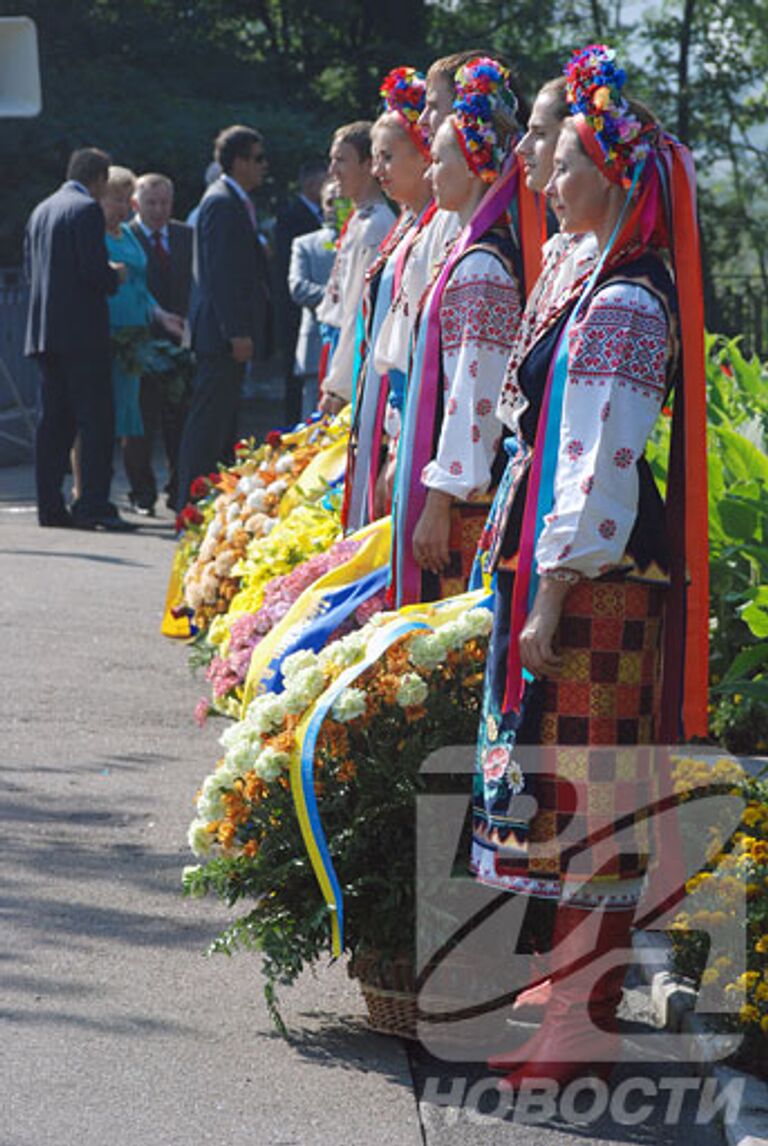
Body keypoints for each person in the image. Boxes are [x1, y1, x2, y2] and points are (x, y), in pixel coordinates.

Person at [470, 44, 709, 1091]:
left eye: (563, 163)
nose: (545, 178)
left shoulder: (622, 301)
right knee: (567, 790)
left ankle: (581, 1019)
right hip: (578, 572)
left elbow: (598, 468)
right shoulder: (600, 278)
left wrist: (551, 591)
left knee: (585, 794)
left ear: (610, 177)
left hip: (598, 581)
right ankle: (568, 997)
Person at [391, 57, 528, 608]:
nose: (428, 174)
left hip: (468, 494)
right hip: (458, 486)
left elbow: (474, 391)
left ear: (473, 167)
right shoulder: (469, 250)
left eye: (439, 160)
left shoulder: (480, 266)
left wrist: (442, 498)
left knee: (450, 624)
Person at [24, 146, 136, 531]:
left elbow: (33, 271)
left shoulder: (42, 210)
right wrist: (115, 274)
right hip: (82, 336)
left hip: (45, 334)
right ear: (100, 179)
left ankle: (50, 506)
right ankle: (94, 505)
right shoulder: (86, 209)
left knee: (53, 424)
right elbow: (92, 272)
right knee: (96, 421)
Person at [343, 65, 434, 531]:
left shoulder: (435, 232)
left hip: (408, 414)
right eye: (374, 159)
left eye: (386, 158)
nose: (376, 171)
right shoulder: (407, 226)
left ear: (425, 155)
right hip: (385, 406)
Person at [177, 125, 272, 506]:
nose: (264, 167)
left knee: (222, 420)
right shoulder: (220, 201)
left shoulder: (233, 200)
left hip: (223, 332)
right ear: (238, 162)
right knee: (208, 422)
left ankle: (209, 498)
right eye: (259, 159)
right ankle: (190, 501)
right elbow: (219, 275)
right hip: (219, 334)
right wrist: (236, 331)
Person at [316, 122, 396, 415]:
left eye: (341, 160)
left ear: (368, 164)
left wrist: (338, 386)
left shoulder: (376, 226)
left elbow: (356, 310)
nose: (332, 170)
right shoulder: (360, 219)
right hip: (336, 347)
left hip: (350, 354)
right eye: (332, 159)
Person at [126, 172, 193, 513]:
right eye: (150, 203)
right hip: (140, 346)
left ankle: (178, 489)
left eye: (164, 202)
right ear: (135, 204)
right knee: (140, 424)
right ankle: (141, 493)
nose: (158, 210)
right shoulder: (126, 237)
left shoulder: (186, 236)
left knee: (179, 421)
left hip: (181, 343)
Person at [275, 157, 327, 425]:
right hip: (298, 317)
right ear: (310, 183)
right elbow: (289, 276)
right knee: (299, 396)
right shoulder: (291, 218)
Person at [288, 179, 338, 422]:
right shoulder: (305, 244)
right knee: (311, 421)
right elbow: (297, 288)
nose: (335, 207)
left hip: (352, 347)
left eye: (342, 201)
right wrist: (339, 296)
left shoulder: (371, 236)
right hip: (315, 346)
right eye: (329, 202)